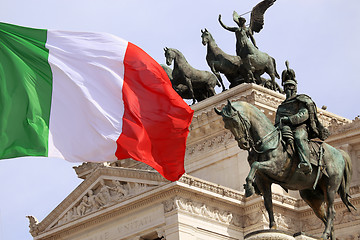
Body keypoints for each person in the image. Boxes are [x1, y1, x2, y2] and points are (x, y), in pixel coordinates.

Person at [275, 62, 330, 174]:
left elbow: (304, 114)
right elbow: (276, 122)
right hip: (284, 129)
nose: (288, 89)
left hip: (300, 127)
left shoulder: (302, 99)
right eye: (286, 87)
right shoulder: (281, 106)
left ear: (295, 88)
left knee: (299, 137)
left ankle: (305, 162)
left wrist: (289, 120)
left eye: (291, 87)